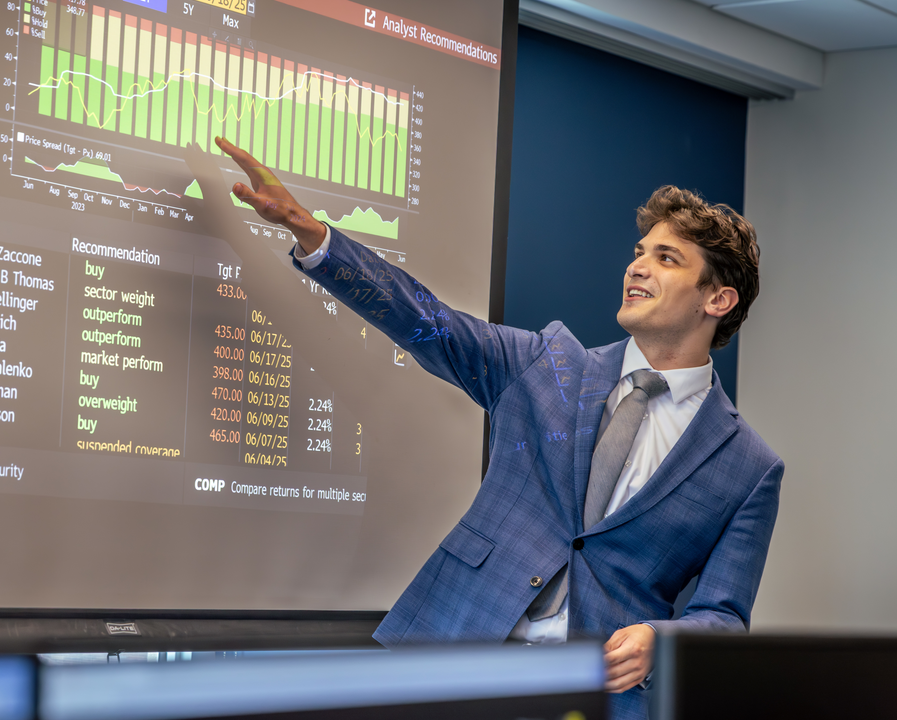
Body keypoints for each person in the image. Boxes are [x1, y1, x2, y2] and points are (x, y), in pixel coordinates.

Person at [212, 135, 783, 720]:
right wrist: (313, 236)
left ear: (718, 299)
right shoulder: (549, 365)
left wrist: (662, 641)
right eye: (640, 251)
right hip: (451, 659)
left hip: (595, 699)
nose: (637, 265)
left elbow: (725, 615)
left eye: (667, 258)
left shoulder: (748, 465)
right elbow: (427, 320)